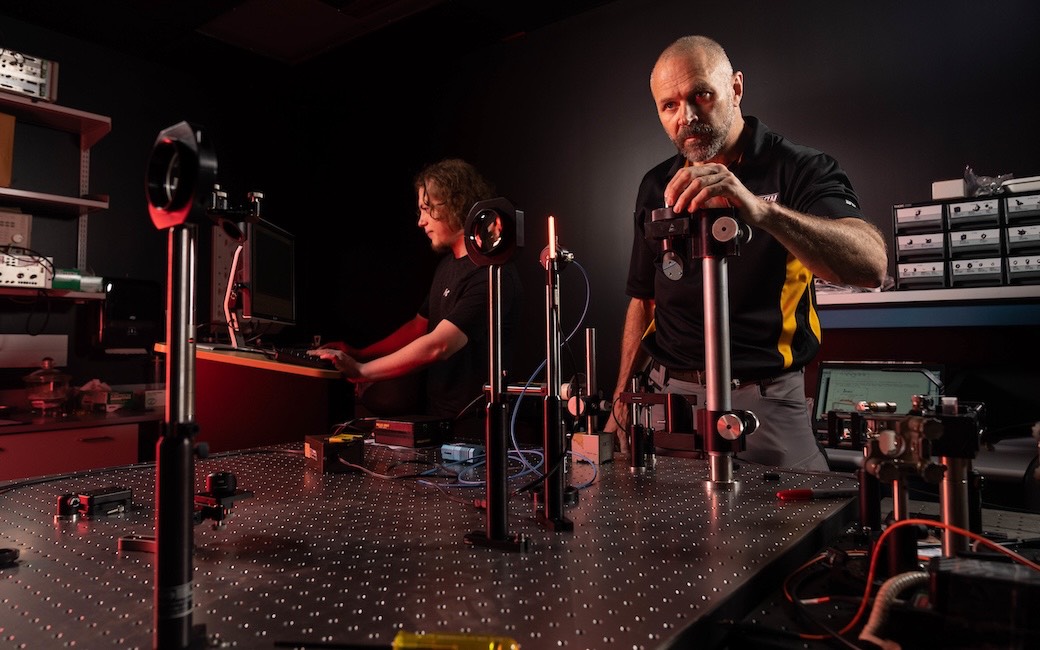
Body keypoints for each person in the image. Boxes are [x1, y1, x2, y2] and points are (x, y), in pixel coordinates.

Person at [605, 35, 888, 471]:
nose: (688, 116)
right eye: (670, 105)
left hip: (765, 402)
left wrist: (760, 210)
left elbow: (871, 266)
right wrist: (621, 401)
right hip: (669, 401)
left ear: (736, 88)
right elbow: (644, 298)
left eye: (701, 94)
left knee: (800, 533)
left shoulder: (799, 167)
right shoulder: (656, 184)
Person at [311, 158, 523, 437]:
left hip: (476, 432)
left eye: (427, 209)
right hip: (438, 421)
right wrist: (359, 352)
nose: (420, 221)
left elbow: (439, 345)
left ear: (455, 203)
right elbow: (418, 327)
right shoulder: (447, 266)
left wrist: (363, 370)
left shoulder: (492, 273)